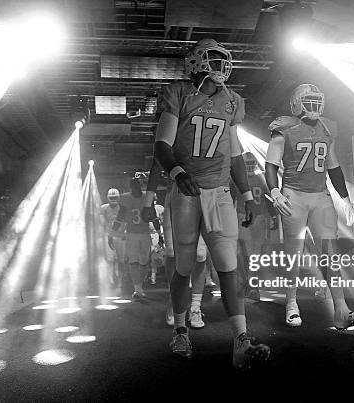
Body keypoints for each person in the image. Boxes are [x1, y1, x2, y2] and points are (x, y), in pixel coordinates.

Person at [152, 38, 270, 369]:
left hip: (219, 192)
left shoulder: (232, 101)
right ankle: (179, 329)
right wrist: (177, 172)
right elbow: (162, 144)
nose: (220, 66)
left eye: (223, 60)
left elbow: (234, 154)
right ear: (196, 62)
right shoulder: (179, 93)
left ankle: (241, 340)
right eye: (213, 59)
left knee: (228, 266)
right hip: (187, 192)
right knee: (184, 265)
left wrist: (246, 195)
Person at [264, 83, 354, 330]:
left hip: (321, 195)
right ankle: (291, 304)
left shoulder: (327, 128)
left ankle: (341, 310)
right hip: (293, 194)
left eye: (317, 100)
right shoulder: (284, 128)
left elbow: (333, 166)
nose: (315, 105)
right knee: (294, 253)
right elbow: (271, 164)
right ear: (297, 104)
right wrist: (275, 191)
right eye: (308, 100)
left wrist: (345, 199)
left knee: (330, 254)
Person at [143, 170, 210, 329]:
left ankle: (195, 306)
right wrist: (148, 202)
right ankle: (175, 300)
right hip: (175, 193)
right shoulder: (170, 144)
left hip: (204, 192)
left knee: (200, 254)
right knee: (172, 253)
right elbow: (157, 163)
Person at [231, 151, 277, 300]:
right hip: (247, 217)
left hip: (253, 218)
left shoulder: (241, 179)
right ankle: (248, 283)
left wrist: (274, 216)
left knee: (251, 254)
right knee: (246, 253)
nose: (250, 166)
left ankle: (251, 284)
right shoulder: (258, 178)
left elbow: (268, 199)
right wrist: (274, 216)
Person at [110, 177, 154, 300]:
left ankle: (139, 285)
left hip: (145, 233)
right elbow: (120, 216)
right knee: (133, 261)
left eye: (137, 185)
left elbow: (154, 215)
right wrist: (112, 232)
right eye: (133, 186)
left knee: (144, 262)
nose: (135, 188)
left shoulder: (147, 197)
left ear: (140, 186)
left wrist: (160, 235)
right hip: (132, 234)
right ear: (131, 187)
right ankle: (138, 289)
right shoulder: (126, 199)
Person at [100, 188, 125, 287]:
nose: (113, 199)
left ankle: (120, 279)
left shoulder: (122, 208)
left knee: (121, 260)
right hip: (109, 235)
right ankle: (110, 279)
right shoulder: (104, 208)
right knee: (110, 260)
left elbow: (126, 222)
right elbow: (101, 222)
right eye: (111, 197)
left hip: (120, 235)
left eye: (115, 197)